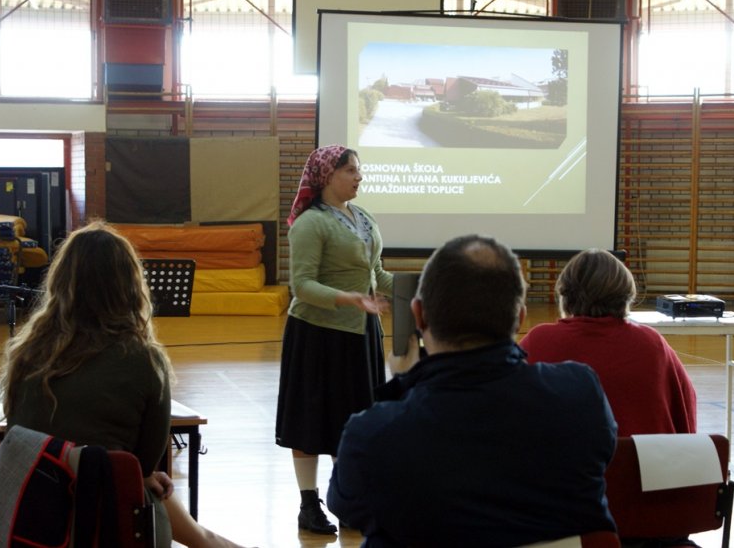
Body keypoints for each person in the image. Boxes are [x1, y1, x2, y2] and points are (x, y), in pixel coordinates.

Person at [327, 234, 617, 548]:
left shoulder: (374, 434)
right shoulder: (580, 394)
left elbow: (347, 506)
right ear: (520, 317)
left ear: (419, 315)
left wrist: (406, 383)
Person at [0, 222, 248, 548]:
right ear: (130, 285)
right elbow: (143, 463)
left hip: (29, 517)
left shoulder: (26, 353)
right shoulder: (143, 359)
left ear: (59, 282)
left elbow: (16, 434)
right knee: (196, 532)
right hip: (103, 516)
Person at [276, 145, 394, 535]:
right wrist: (348, 299)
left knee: (353, 423)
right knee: (312, 422)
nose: (359, 177)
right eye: (351, 171)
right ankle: (309, 505)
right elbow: (302, 286)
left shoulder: (363, 218)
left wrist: (422, 288)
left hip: (360, 335)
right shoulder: (310, 224)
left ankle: (348, 499)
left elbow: (377, 273)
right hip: (318, 336)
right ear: (327, 176)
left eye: (359, 171)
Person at [520, 248, 697, 437]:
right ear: (626, 295)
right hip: (639, 464)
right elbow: (686, 410)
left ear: (565, 295)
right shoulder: (651, 344)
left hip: (562, 465)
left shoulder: (539, 341)